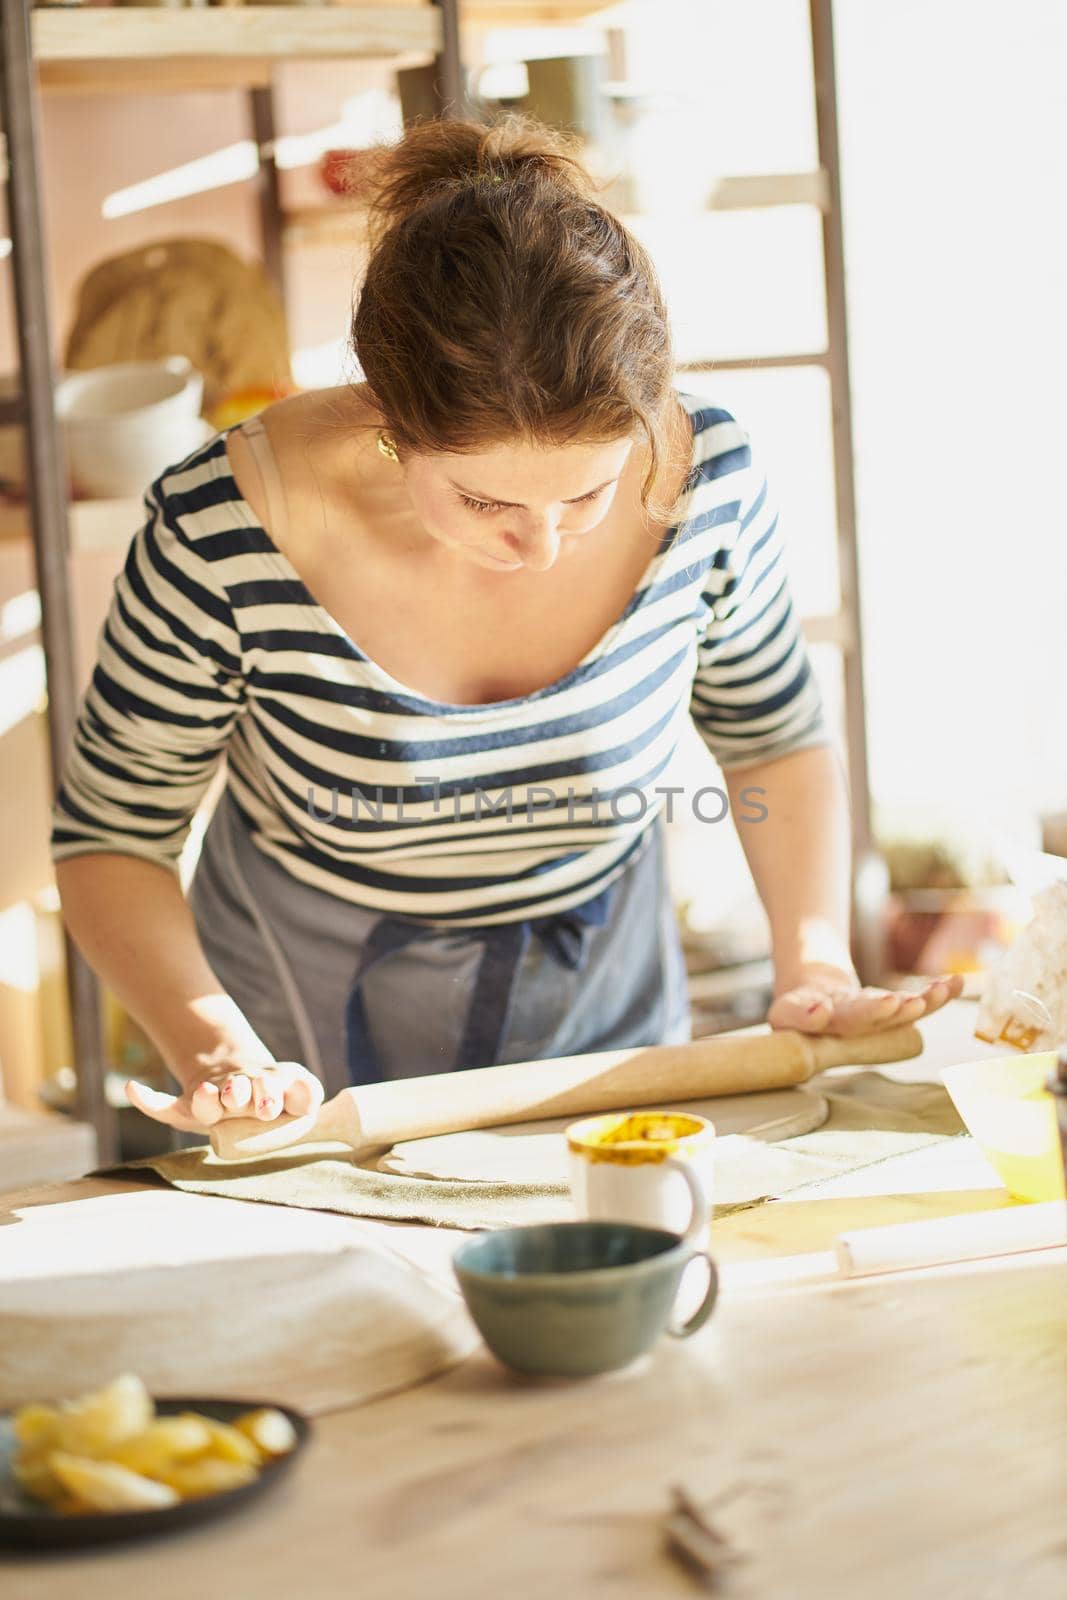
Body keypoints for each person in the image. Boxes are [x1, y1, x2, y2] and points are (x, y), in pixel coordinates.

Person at [51, 116, 962, 1137]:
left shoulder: (704, 475)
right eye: (487, 504)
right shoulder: (222, 528)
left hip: (608, 1017)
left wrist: (814, 964)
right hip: (292, 1040)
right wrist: (221, 1052)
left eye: (588, 496)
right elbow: (110, 840)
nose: (543, 548)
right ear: (392, 426)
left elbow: (770, 743)